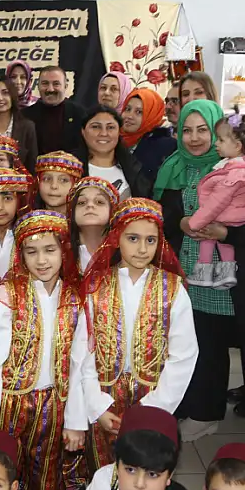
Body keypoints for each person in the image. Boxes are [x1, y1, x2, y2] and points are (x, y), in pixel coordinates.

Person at [156, 100, 245, 443]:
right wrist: (178, 221)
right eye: (186, 130)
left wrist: (227, 233)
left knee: (211, 341)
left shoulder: (241, 168)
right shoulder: (173, 166)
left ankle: (207, 412)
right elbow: (161, 213)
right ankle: (185, 405)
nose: (193, 138)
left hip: (225, 273)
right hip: (182, 266)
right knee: (184, 340)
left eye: (202, 130)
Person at [0, 210, 90, 490]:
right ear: (20, 254)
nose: (42, 260)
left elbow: (80, 363)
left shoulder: (74, 299)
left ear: (63, 250)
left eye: (50, 250)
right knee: (4, 472)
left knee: (47, 477)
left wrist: (76, 419)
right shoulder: (5, 298)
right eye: (31, 251)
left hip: (54, 403)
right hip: (9, 405)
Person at [81, 199, 198, 468]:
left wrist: (155, 406)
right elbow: (82, 353)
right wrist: (97, 405)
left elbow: (184, 355)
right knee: (103, 469)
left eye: (150, 240)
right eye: (133, 238)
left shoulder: (172, 289)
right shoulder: (95, 287)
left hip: (155, 395)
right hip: (104, 395)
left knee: (146, 468)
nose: (142, 249)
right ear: (116, 238)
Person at [185, 115, 245, 289]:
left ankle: (203, 271)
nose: (215, 143)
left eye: (221, 140)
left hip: (227, 214)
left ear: (238, 145)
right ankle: (227, 273)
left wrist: (194, 223)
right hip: (241, 215)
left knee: (207, 236)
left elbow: (216, 202)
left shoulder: (233, 173)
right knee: (224, 242)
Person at [78, 405, 197, 490]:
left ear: (169, 476)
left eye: (152, 474)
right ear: (117, 465)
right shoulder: (104, 480)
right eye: (130, 470)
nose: (139, 484)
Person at [76, 107, 151, 200]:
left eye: (110, 127)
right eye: (96, 127)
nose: (103, 133)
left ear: (119, 132)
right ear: (83, 132)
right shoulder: (70, 168)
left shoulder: (134, 170)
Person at [24, 66, 85, 155]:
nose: (50, 89)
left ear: (66, 86)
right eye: (45, 83)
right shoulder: (25, 116)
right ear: (38, 86)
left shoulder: (79, 114)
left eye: (56, 84)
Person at [122, 89, 177, 184]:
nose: (130, 116)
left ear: (151, 115)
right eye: (127, 109)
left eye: (139, 112)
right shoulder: (114, 141)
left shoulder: (164, 146)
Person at [68, 177, 120, 272]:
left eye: (99, 202)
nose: (90, 205)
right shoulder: (62, 254)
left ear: (112, 211)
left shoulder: (124, 256)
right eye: (81, 202)